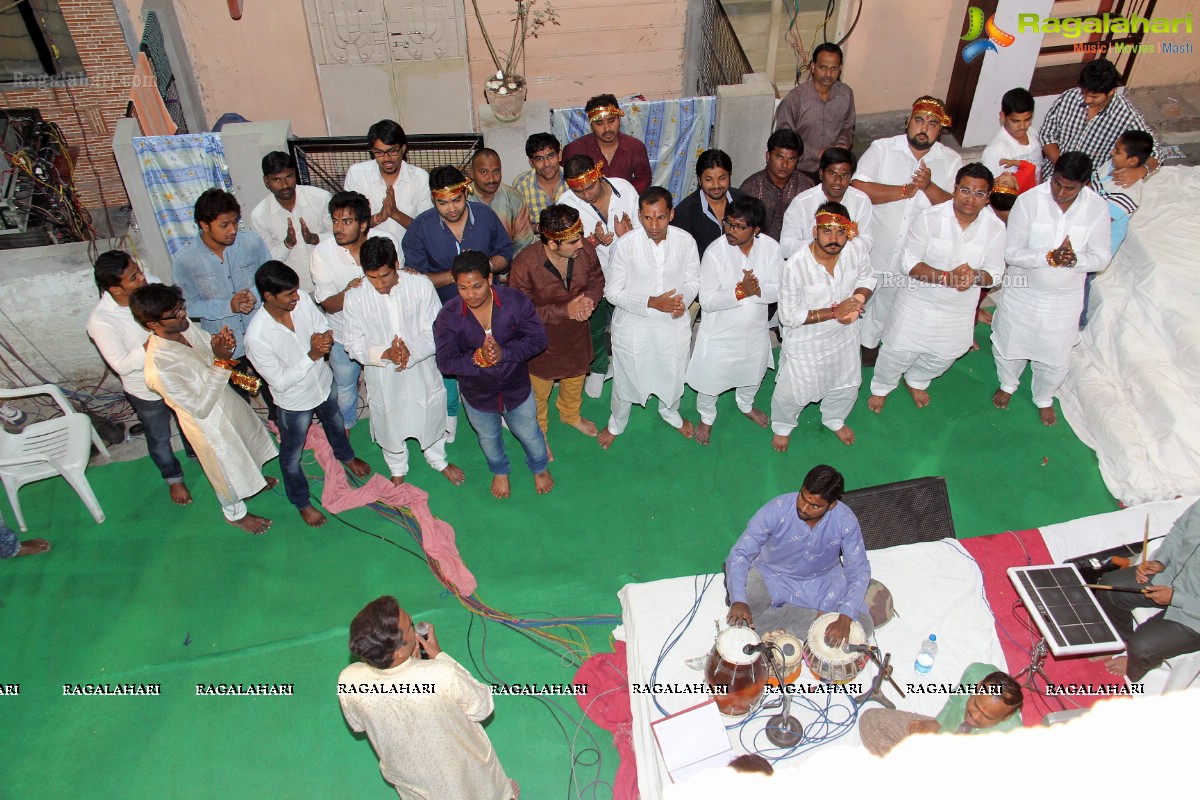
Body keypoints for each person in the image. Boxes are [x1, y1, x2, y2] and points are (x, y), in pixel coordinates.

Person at [338, 596, 517, 800]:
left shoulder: (349, 679)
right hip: (459, 769)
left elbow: (360, 723)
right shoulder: (442, 674)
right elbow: (482, 706)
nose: (415, 625)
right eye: (411, 625)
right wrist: (440, 658)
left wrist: (412, 668)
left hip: (411, 778)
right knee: (474, 787)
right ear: (398, 651)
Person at [132, 284, 278, 534]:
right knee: (225, 470)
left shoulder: (184, 327)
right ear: (152, 325)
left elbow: (207, 356)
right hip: (209, 426)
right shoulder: (158, 368)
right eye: (174, 313)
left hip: (228, 401)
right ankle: (235, 515)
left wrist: (220, 346)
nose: (182, 315)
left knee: (247, 446)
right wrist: (221, 361)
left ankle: (254, 481)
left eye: (181, 307)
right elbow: (199, 408)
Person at [867, 163, 1005, 413]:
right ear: (955, 189)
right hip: (918, 301)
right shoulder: (930, 217)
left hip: (958, 309)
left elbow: (995, 273)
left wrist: (974, 276)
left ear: (988, 198)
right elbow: (908, 262)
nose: (970, 199)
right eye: (965, 190)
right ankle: (882, 387)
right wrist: (944, 277)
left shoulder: (995, 228)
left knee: (944, 356)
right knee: (897, 352)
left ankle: (916, 380)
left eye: (979, 193)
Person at [244, 261, 372, 527]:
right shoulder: (257, 337)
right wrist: (312, 354)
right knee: (291, 457)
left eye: (295, 291)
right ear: (268, 296)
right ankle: (302, 502)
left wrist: (323, 337)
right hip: (294, 403)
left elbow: (320, 323)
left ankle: (346, 456)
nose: (296, 297)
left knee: (335, 423)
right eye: (288, 294)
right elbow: (278, 382)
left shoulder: (300, 299)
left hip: (323, 385)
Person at [991, 151, 1110, 426]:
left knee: (1055, 352)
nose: (1061, 192)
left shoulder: (1096, 208)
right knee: (1011, 342)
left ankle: (1044, 396)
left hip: (1064, 299)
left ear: (1085, 184)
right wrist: (1047, 257)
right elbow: (1011, 253)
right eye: (1057, 183)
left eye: (1070, 188)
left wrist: (1075, 259)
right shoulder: (1029, 201)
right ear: (1051, 176)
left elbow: (1102, 257)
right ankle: (1008, 383)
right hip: (1023, 293)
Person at [342, 238, 464, 487]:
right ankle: (397, 467)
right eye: (372, 277)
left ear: (397, 264)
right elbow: (352, 344)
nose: (380, 284)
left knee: (429, 411)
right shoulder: (355, 296)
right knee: (389, 419)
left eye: (385, 275)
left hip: (421, 367)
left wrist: (411, 352)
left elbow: (436, 332)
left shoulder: (420, 286)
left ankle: (437, 459)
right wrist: (385, 354)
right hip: (383, 374)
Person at [434, 251, 552, 499]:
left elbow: (538, 340)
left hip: (517, 387)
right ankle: (500, 471)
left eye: (476, 286)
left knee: (530, 432)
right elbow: (445, 362)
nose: (470, 294)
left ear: (489, 279)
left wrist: (504, 353)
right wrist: (477, 359)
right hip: (477, 395)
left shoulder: (514, 302)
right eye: (463, 288)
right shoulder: (448, 316)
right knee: (488, 437)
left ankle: (539, 468)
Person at [852, 96, 962, 356]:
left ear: (941, 130)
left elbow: (957, 207)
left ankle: (869, 348)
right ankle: (845, 350)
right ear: (907, 122)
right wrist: (905, 190)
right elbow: (859, 189)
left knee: (887, 310)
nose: (924, 128)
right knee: (855, 300)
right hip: (873, 249)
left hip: (909, 257)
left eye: (933, 124)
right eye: (919, 120)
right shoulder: (882, 148)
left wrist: (928, 187)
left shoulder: (951, 160)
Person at [87, 250, 193, 506]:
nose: (143, 278)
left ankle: (197, 454)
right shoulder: (101, 321)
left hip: (176, 375)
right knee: (159, 437)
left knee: (191, 422)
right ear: (115, 288)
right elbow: (121, 365)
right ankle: (173, 479)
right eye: (133, 277)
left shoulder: (150, 286)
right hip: (146, 390)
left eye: (139, 270)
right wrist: (153, 342)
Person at [598, 187, 700, 449]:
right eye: (647, 218)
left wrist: (682, 302)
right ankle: (617, 422)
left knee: (673, 371)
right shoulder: (626, 245)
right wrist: (651, 302)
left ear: (671, 214)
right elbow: (611, 292)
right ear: (640, 216)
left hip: (672, 324)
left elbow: (693, 280)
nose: (654, 225)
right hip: (634, 325)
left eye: (660, 217)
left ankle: (670, 412)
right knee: (627, 376)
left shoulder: (686, 241)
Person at [725, 465, 872, 643]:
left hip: (823, 582)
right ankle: (815, 620)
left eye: (815, 506)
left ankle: (792, 624)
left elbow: (858, 569)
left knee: (863, 626)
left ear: (832, 504)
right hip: (773, 576)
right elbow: (740, 552)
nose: (803, 508)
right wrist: (739, 600)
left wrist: (846, 616)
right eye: (802, 497)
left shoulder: (845, 519)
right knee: (746, 604)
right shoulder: (777, 509)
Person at [770, 203, 874, 450]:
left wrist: (856, 302)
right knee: (792, 393)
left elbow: (868, 278)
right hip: (807, 342)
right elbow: (788, 316)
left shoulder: (855, 251)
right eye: (827, 231)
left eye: (841, 232)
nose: (834, 239)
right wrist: (834, 312)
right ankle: (783, 426)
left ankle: (834, 418)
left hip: (844, 337)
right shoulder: (795, 266)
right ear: (815, 231)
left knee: (847, 385)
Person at [171, 187, 277, 416]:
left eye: (235, 222)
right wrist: (227, 305)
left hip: (260, 334)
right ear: (204, 224)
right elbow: (187, 305)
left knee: (273, 386)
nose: (233, 230)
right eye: (224, 225)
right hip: (225, 345)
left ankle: (279, 423)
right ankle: (252, 428)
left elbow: (270, 278)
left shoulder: (251, 243)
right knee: (239, 391)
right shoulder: (185, 260)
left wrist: (254, 295)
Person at [685, 196, 780, 446]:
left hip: (754, 331)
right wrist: (740, 291)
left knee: (752, 372)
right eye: (728, 223)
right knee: (710, 379)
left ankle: (745, 404)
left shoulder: (771, 248)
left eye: (739, 226)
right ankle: (707, 416)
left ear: (756, 230)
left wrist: (757, 290)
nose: (730, 231)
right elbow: (706, 301)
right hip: (719, 334)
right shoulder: (715, 252)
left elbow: (779, 289)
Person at [507, 204, 605, 444]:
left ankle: (570, 414)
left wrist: (589, 301)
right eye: (573, 242)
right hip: (541, 344)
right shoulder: (524, 264)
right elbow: (519, 314)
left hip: (576, 336)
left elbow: (596, 280)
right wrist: (566, 310)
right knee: (538, 391)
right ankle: (537, 427)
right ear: (552, 244)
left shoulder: (586, 251)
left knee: (575, 378)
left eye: (579, 237)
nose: (580, 244)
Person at [309, 191, 399, 433]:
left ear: (363, 224)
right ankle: (344, 434)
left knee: (389, 385)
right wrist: (351, 292)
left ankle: (394, 430)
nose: (338, 228)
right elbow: (327, 304)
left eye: (346, 222)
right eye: (335, 221)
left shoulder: (385, 241)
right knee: (346, 390)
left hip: (383, 332)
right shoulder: (323, 253)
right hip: (342, 334)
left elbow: (400, 280)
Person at [559, 154, 640, 398]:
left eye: (590, 186)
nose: (586, 194)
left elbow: (644, 230)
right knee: (592, 326)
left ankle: (629, 368)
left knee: (628, 325)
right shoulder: (567, 203)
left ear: (599, 174)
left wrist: (627, 236)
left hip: (629, 273)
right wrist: (591, 242)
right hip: (591, 276)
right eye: (579, 190)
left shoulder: (625, 189)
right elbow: (562, 249)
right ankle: (598, 367)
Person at [1097, 499, 1200, 683]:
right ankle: (1119, 641)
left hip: (1195, 616)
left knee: (1142, 648)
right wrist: (1160, 561)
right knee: (1110, 587)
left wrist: (1176, 598)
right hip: (1171, 577)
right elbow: (1180, 530)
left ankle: (1135, 665)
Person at [1039, 59, 1160, 185]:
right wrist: (1062, 167)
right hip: (1052, 173)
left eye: (1094, 97)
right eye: (1084, 93)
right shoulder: (1069, 97)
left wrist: (1140, 171)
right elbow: (1047, 134)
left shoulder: (1127, 117)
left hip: (1089, 185)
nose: (1086, 100)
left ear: (1112, 91)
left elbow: (1156, 152)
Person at [858, 665, 1023, 757]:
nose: (974, 716)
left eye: (987, 716)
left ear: (1005, 717)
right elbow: (955, 699)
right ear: (978, 686)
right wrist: (938, 722)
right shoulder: (975, 674)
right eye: (976, 704)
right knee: (871, 720)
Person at [1080, 129, 1153, 328]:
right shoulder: (1109, 167)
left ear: (1132, 161)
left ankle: (1078, 320)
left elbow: (1102, 221)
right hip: (1083, 233)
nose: (1112, 153)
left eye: (1118, 151)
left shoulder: (1128, 192)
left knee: (1082, 280)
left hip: (1096, 244)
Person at [249, 151, 331, 293]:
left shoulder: (321, 198)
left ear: (295, 174)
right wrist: (287, 244)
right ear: (266, 181)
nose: (285, 185)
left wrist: (315, 238)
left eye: (289, 177)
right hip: (292, 292)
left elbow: (340, 239)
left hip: (329, 282)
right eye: (277, 180)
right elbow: (267, 261)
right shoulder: (259, 216)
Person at [773, 42, 856, 183]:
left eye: (834, 68)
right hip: (801, 171)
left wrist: (842, 146)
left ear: (840, 68)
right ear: (813, 67)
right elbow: (785, 141)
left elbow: (848, 127)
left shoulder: (845, 94)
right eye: (823, 67)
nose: (828, 74)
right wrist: (818, 153)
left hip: (833, 169)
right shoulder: (795, 99)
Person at [343, 119, 433, 245]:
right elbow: (349, 224)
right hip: (368, 255)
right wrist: (378, 218)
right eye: (379, 152)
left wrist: (396, 214)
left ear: (403, 148)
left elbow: (427, 229)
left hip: (409, 255)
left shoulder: (420, 178)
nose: (386, 159)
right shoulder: (357, 174)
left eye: (392, 151)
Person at [779, 146, 874, 260]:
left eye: (844, 175)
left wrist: (839, 246)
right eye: (832, 174)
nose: (838, 181)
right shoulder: (802, 203)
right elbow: (785, 247)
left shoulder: (861, 201)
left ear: (851, 177)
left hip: (847, 268)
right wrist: (820, 246)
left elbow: (866, 243)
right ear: (821, 174)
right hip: (809, 269)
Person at [561, 93, 653, 194]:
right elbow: (566, 184)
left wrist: (624, 195)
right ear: (591, 125)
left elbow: (644, 179)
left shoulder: (636, 147)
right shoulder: (574, 150)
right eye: (599, 123)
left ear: (619, 120)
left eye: (611, 120)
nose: (607, 128)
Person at [738, 129, 814, 242]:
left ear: (797, 160)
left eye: (791, 159)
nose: (785, 164)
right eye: (779, 157)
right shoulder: (750, 188)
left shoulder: (806, 187)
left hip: (795, 254)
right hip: (759, 254)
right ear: (768, 156)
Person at [670, 149, 745, 259]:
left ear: (730, 176)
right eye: (709, 179)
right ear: (699, 180)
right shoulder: (684, 213)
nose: (716, 185)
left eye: (722, 178)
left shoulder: (744, 203)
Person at [467, 147, 536, 258]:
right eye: (484, 172)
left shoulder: (514, 198)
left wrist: (509, 269)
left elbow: (523, 244)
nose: (491, 179)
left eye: (496, 171)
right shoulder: (462, 199)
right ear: (471, 173)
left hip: (508, 267)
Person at [980, 88, 1041, 183]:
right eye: (1015, 121)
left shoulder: (1033, 133)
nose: (1022, 126)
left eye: (1027, 120)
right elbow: (991, 189)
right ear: (1003, 117)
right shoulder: (995, 151)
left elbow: (1038, 174)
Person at [512, 132, 568, 231]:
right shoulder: (521, 185)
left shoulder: (572, 180)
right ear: (531, 162)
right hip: (537, 243)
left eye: (550, 156)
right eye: (539, 159)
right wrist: (538, 228)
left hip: (571, 243)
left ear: (559, 155)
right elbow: (516, 225)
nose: (546, 164)